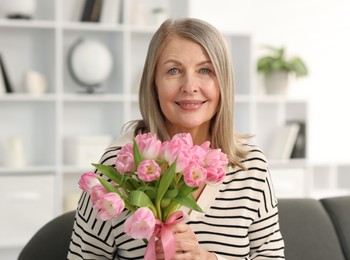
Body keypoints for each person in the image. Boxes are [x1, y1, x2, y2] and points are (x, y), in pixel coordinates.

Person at [68, 18, 285, 259]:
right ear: (154, 84)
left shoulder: (251, 166)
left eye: (205, 70)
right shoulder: (117, 166)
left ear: (223, 82)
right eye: (173, 70)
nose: (190, 86)